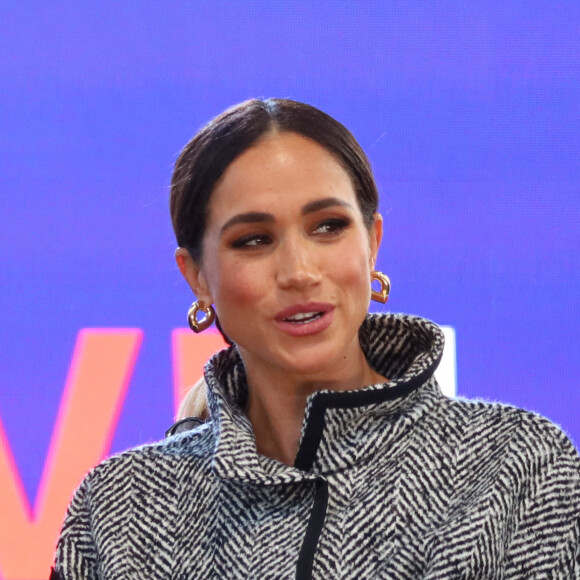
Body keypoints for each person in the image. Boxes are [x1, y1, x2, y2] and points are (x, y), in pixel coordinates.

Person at [52, 99, 580, 579]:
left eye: (328, 227)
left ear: (371, 242)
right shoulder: (118, 508)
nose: (299, 272)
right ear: (197, 276)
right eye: (253, 240)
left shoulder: (518, 467)